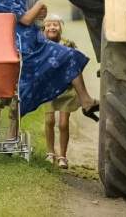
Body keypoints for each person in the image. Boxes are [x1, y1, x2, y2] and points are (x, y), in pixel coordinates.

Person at [42, 14, 80, 169]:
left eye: (55, 24)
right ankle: (50, 152)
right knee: (49, 121)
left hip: (66, 89)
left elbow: (76, 63)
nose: (52, 27)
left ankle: (63, 156)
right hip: (48, 89)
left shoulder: (68, 44)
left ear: (61, 27)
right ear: (44, 27)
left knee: (63, 123)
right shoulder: (41, 44)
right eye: (49, 24)